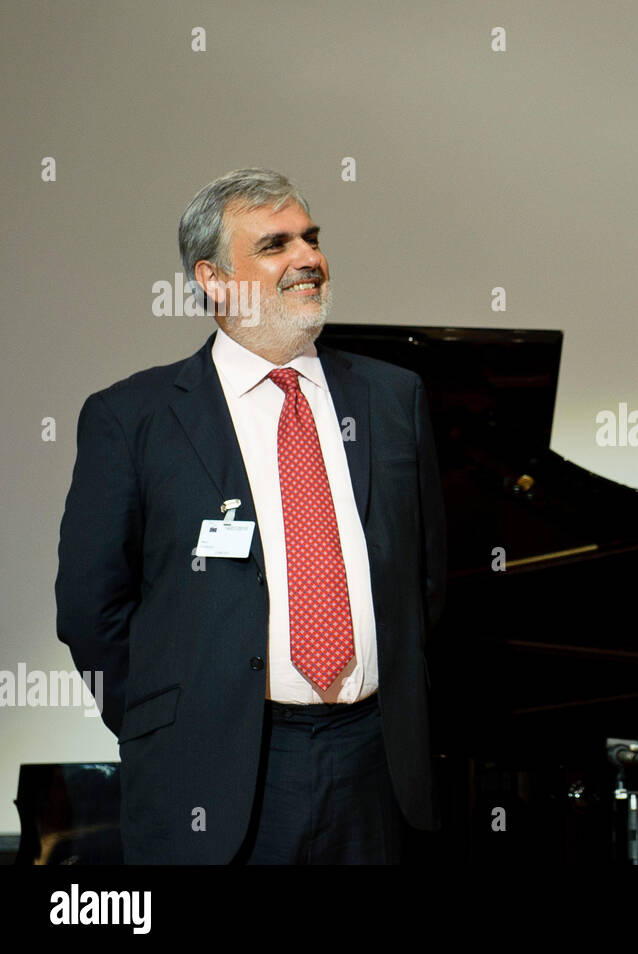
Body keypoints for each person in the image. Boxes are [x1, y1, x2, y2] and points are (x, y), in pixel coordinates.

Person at [55, 168, 446, 863]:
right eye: (275, 245)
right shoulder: (133, 418)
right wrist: (171, 724)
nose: (308, 259)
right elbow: (91, 610)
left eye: (311, 238)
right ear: (213, 279)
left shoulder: (393, 398)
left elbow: (427, 583)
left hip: (374, 768)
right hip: (214, 772)